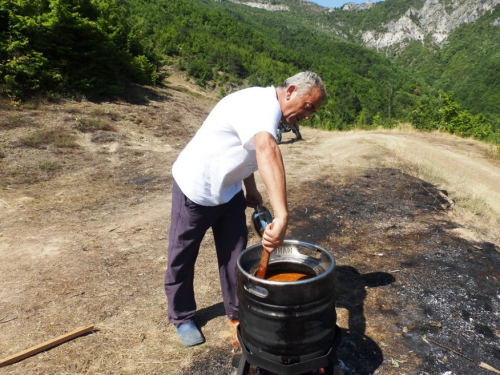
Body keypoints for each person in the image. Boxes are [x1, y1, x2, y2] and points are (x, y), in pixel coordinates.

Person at [164, 71, 326, 346]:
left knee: (234, 255)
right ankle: (182, 316)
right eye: (308, 107)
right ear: (291, 91)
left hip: (229, 191)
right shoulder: (258, 104)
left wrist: (249, 187)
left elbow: (246, 149)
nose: (307, 116)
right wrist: (281, 214)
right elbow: (264, 148)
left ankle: (238, 312)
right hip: (197, 188)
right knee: (182, 256)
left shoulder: (271, 113)